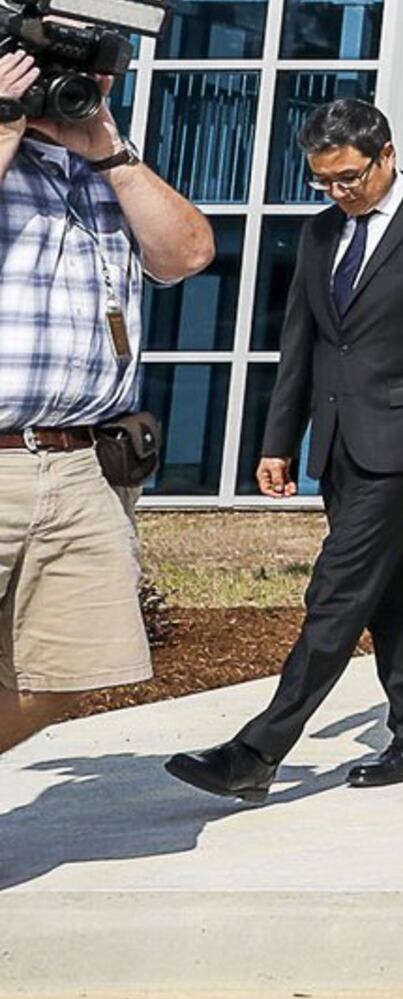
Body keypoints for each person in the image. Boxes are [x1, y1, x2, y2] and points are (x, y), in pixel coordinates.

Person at [168, 99, 403, 801]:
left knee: (337, 590)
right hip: (339, 440)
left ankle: (257, 750)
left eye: (349, 177)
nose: (340, 192)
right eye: (325, 181)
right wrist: (278, 441)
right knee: (390, 587)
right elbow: (302, 343)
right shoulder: (320, 234)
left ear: (386, 154)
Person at [0, 49, 214, 763]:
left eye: (99, 64)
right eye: (58, 59)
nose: (84, 79)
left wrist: (110, 151)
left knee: (67, 673)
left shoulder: (106, 171)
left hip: (83, 462)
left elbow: (187, 253)